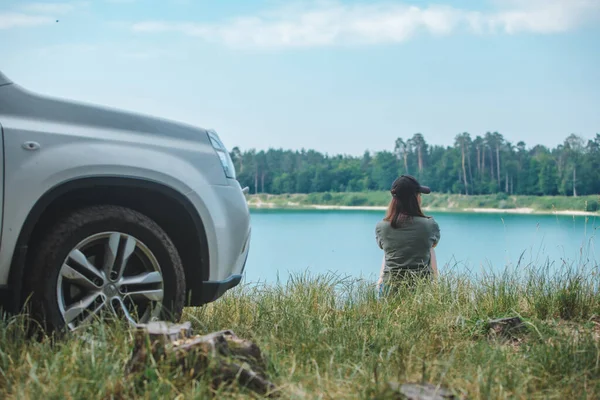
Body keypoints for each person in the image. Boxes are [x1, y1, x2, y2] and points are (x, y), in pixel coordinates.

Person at [375, 175, 441, 296]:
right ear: (415, 198)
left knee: (390, 250)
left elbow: (386, 251)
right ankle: (435, 283)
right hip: (420, 287)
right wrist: (435, 284)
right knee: (428, 247)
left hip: (389, 287)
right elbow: (432, 247)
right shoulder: (429, 225)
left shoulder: (382, 227)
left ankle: (381, 279)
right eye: (419, 194)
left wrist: (380, 279)